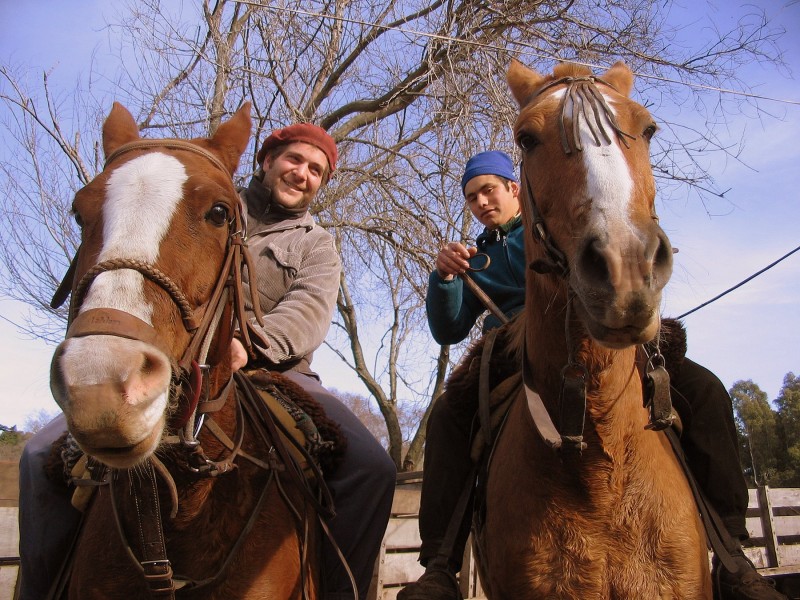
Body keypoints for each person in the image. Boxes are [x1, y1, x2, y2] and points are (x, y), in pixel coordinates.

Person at [18, 123, 397, 600]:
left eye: (315, 169)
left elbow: (309, 311)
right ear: (267, 161)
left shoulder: (315, 244)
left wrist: (251, 343)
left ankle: (344, 592)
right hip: (182, 362)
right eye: (293, 160)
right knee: (36, 457)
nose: (302, 174)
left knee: (371, 469)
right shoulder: (198, 201)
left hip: (275, 373)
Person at [397, 150, 786, 600]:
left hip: (589, 330)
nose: (482, 202)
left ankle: (732, 555)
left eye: (489, 190)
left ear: (514, 190)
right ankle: (440, 567)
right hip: (507, 347)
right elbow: (447, 330)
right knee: (448, 416)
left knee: (705, 390)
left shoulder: (554, 229)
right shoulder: (474, 259)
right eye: (472, 197)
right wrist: (445, 279)